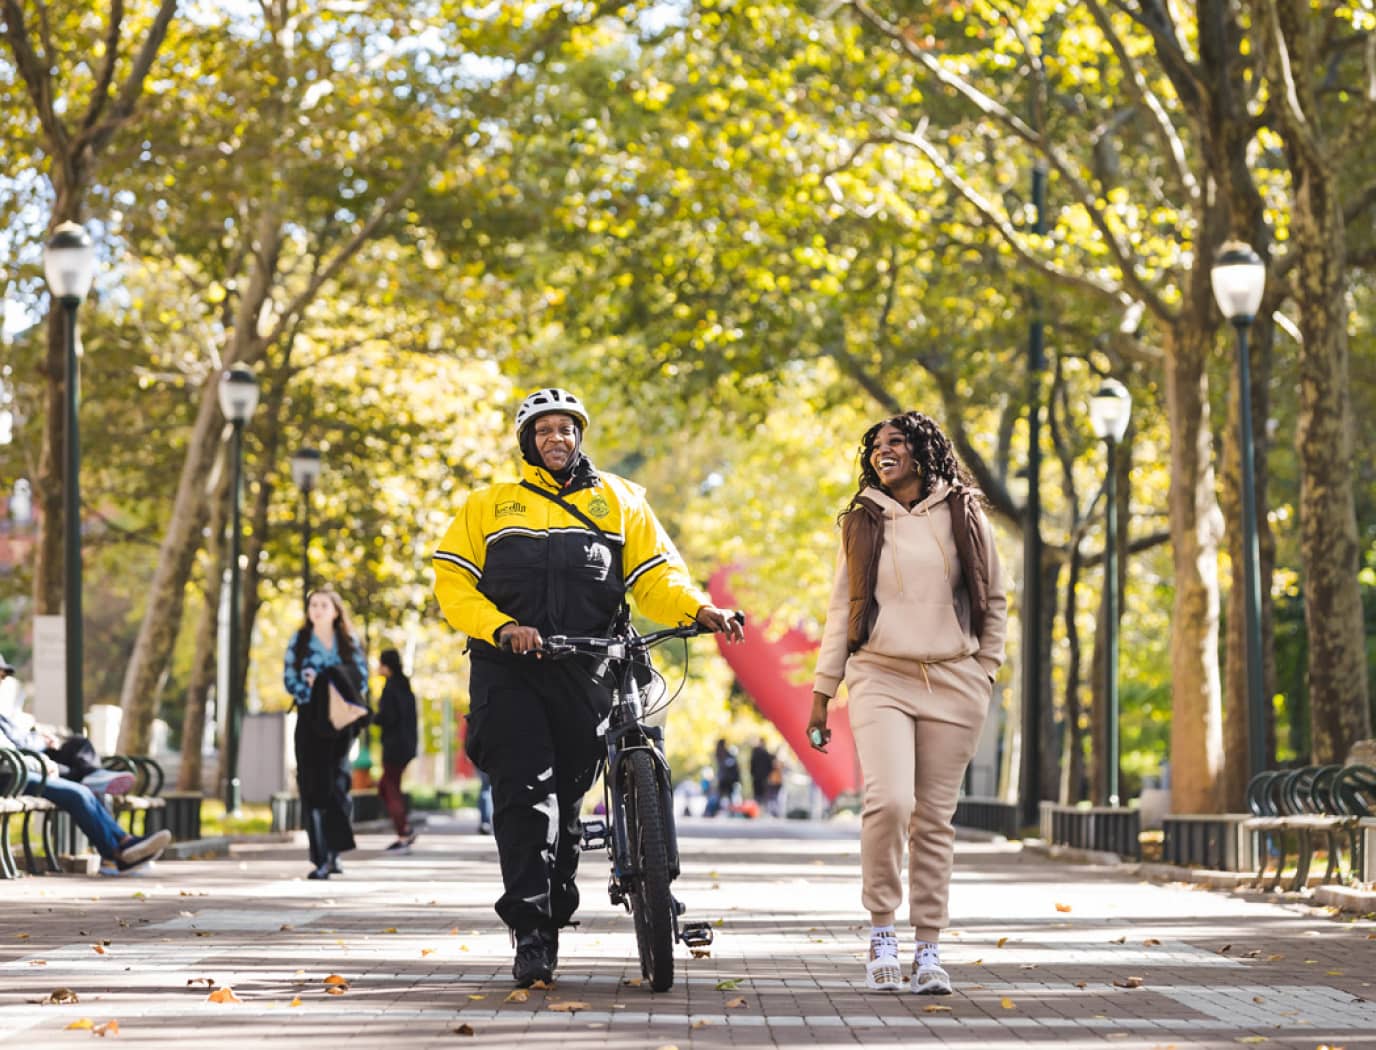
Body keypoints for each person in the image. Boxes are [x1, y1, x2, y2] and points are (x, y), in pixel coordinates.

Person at [433, 386, 744, 988]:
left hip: (589, 666)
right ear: (528, 441)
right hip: (511, 669)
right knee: (526, 801)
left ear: (580, 436)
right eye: (545, 430)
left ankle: (562, 896)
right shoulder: (489, 506)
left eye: (567, 429)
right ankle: (531, 932)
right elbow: (453, 584)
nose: (558, 439)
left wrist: (700, 608)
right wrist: (500, 627)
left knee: (569, 803)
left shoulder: (620, 500)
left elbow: (657, 578)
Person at [808, 411, 1007, 996]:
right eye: (875, 445)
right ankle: (881, 933)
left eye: (895, 443)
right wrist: (823, 692)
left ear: (923, 451)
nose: (881, 452)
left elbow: (995, 598)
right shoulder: (863, 522)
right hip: (879, 674)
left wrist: (984, 671)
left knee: (934, 821)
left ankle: (928, 948)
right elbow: (840, 610)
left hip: (954, 681)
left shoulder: (965, 513)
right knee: (891, 801)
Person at [0, 713, 171, 874]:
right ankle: (116, 854)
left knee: (83, 784)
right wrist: (40, 763)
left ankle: (123, 843)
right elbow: (9, 751)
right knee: (79, 794)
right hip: (10, 774)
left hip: (21, 768)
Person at [284, 589, 371, 880]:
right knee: (311, 786)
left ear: (336, 611)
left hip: (340, 723)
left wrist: (328, 679)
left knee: (338, 785)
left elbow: (361, 678)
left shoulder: (348, 641)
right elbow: (289, 677)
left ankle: (335, 854)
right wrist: (310, 690)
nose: (317, 609)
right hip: (310, 718)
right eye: (313, 605)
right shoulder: (300, 640)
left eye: (323, 605)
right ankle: (319, 858)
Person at [375, 648, 419, 853]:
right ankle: (404, 830)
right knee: (388, 786)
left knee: (388, 787)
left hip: (394, 746)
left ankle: (404, 832)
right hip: (406, 744)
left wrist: (370, 716)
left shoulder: (391, 687)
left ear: (386, 666)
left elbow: (388, 717)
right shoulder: (404, 686)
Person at [706, 738, 740, 817]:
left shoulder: (720, 753)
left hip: (723, 778)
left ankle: (714, 812)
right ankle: (729, 812)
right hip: (727, 778)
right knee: (726, 795)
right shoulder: (725, 753)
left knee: (721, 795)